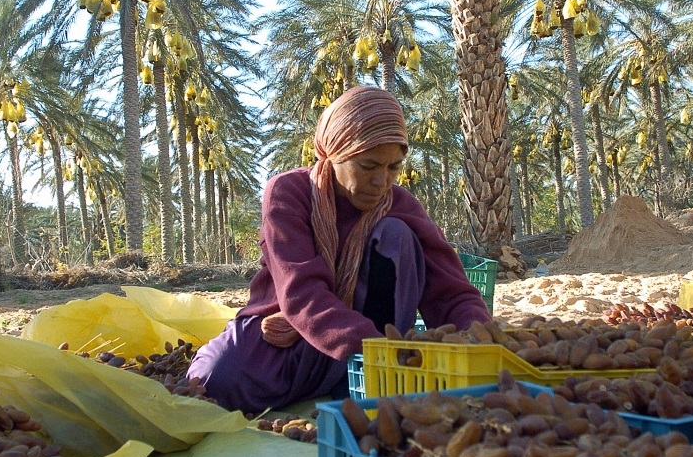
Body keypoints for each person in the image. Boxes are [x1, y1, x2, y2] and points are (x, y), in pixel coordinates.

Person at [187, 85, 494, 413]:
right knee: (213, 381)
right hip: (296, 331)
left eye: (394, 167)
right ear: (334, 152)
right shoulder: (289, 192)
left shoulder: (400, 205)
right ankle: (353, 373)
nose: (382, 181)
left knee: (396, 234)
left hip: (370, 350)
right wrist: (378, 349)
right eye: (369, 165)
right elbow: (301, 292)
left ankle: (363, 379)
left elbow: (452, 293)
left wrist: (480, 339)